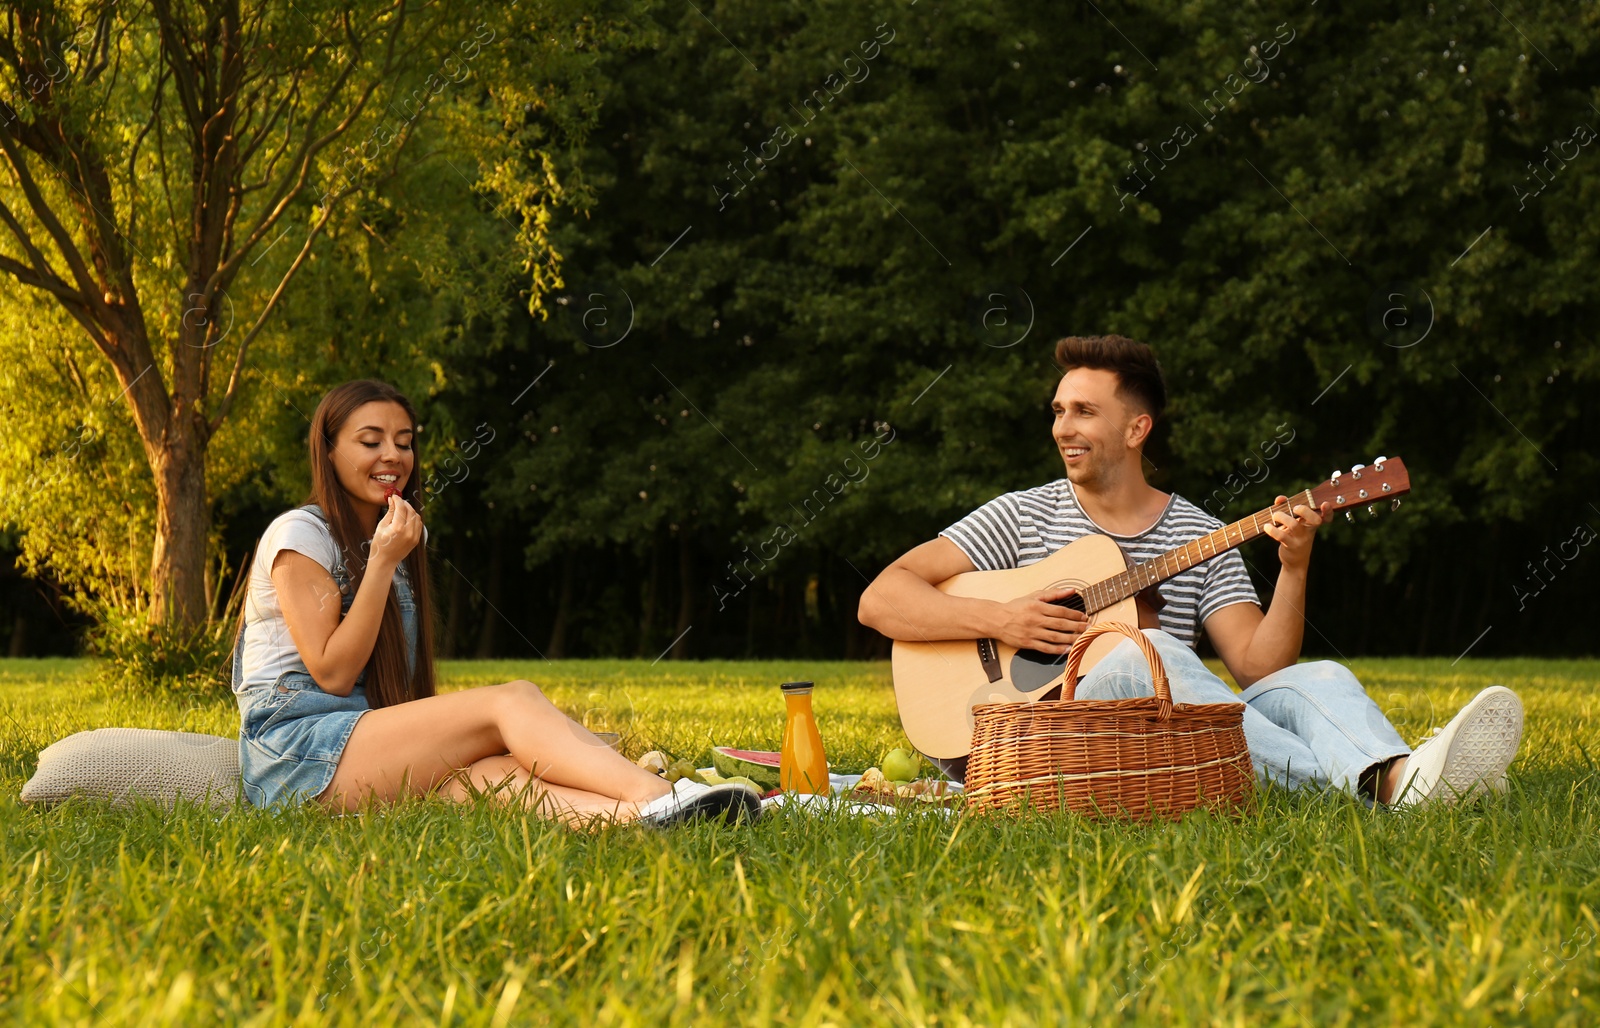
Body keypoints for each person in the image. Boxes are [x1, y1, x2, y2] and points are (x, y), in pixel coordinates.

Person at [858, 335, 1523, 807]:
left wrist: (1294, 562)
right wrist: (1004, 618)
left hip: (1163, 740)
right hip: (1032, 738)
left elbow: (1260, 670)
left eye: (1084, 411)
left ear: (1137, 427)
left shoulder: (1198, 532)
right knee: (1134, 652)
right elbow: (881, 599)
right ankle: (1387, 786)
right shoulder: (1021, 516)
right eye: (1058, 410)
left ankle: (1398, 780)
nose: (1063, 426)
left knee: (1316, 676)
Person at [231, 379, 758, 826]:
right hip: (296, 756)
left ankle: (640, 820)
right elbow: (333, 673)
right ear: (328, 450)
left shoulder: (397, 537)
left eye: (404, 441)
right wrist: (384, 563)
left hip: (357, 752)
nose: (393, 455)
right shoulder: (301, 535)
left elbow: (401, 693)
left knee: (492, 777)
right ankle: (659, 796)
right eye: (370, 441)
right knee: (511, 699)